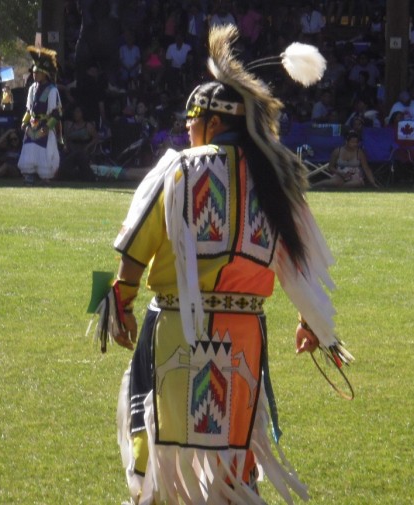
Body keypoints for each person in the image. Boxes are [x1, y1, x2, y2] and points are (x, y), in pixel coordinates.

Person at [92, 25, 345, 504]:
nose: (186, 130)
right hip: (242, 338)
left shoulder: (178, 169)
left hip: (173, 331)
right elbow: (300, 265)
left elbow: (127, 250)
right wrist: (313, 322)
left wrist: (112, 306)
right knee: (230, 461)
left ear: (209, 121)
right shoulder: (276, 179)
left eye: (191, 120)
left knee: (163, 459)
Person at [18, 46, 63, 185]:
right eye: (33, 72)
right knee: (29, 149)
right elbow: (28, 109)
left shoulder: (52, 90)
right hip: (32, 125)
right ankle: (29, 176)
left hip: (45, 126)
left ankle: (45, 177)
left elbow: (57, 113)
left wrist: (47, 127)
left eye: (37, 73)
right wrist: (24, 123)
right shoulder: (32, 88)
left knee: (46, 152)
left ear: (44, 74)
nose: (34, 75)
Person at [311, 130, 379, 189]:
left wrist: (373, 183)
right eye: (352, 142)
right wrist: (340, 173)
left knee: (357, 183)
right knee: (334, 182)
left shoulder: (359, 152)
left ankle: (339, 188)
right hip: (340, 174)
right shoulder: (337, 151)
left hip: (355, 175)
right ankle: (313, 186)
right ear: (346, 142)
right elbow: (330, 167)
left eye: (356, 142)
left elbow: (366, 168)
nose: (355, 144)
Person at [58, 104, 98, 181]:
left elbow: (96, 138)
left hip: (84, 152)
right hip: (71, 152)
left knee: (79, 155)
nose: (76, 114)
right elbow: (65, 138)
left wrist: (88, 146)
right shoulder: (70, 125)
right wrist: (65, 145)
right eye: (75, 112)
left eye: (78, 112)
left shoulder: (88, 126)